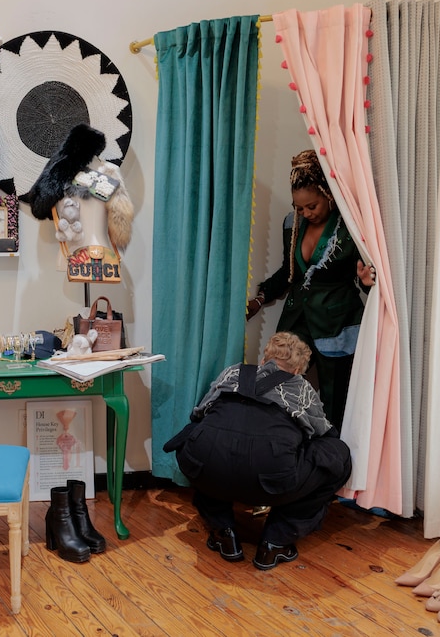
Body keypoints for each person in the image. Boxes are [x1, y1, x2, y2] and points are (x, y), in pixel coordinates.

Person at [163, 332, 351, 570]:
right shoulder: (301, 388)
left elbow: (199, 412)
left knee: (204, 442)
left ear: (265, 359)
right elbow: (323, 432)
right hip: (269, 480)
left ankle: (223, 531)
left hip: (208, 469)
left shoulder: (233, 372)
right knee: (337, 454)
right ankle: (276, 542)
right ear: (297, 371)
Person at [246, 149, 375, 430]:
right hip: (297, 315)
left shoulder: (350, 226)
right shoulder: (292, 224)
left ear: (329, 195)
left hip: (337, 322)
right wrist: (260, 298)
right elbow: (289, 272)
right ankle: (276, 442)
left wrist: (366, 282)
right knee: (274, 383)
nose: (305, 213)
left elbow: (365, 271)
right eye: (299, 207)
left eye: (311, 206)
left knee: (335, 400)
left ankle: (332, 458)